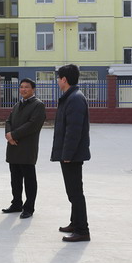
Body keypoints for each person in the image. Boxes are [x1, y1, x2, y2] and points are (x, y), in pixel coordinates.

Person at [51, 64, 91, 242]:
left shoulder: (74, 99)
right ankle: (75, 223)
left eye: (58, 78)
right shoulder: (71, 97)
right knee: (73, 192)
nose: (57, 81)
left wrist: (67, 154)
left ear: (64, 79)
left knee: (75, 193)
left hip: (72, 156)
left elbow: (74, 130)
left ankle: (82, 230)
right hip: (70, 154)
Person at [2, 78, 46, 219]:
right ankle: (16, 203)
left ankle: (29, 207)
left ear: (33, 89)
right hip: (13, 146)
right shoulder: (17, 105)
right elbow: (8, 121)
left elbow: (33, 125)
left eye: (27, 87)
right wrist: (9, 135)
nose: (23, 89)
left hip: (27, 147)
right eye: (21, 87)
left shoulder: (38, 105)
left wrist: (13, 134)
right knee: (15, 179)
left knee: (29, 179)